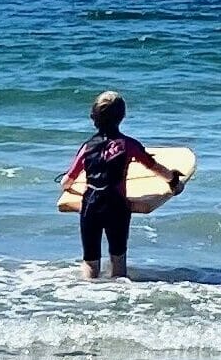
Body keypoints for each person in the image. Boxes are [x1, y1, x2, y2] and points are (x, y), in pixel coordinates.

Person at [61, 90, 182, 280]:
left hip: (90, 206)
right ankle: (117, 297)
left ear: (93, 117)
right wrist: (174, 181)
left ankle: (85, 295)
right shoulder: (129, 145)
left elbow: (66, 181)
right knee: (118, 260)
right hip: (116, 206)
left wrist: (68, 187)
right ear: (122, 117)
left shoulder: (87, 147)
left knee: (90, 261)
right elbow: (155, 167)